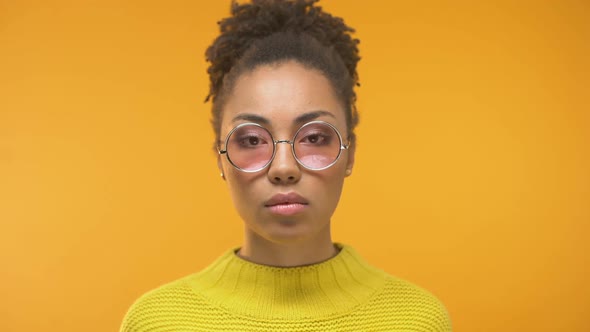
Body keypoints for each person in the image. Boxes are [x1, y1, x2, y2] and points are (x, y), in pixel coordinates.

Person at [120, 0, 452, 331]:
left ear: (350, 154)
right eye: (251, 140)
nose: (283, 167)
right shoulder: (157, 321)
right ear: (220, 158)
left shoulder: (417, 320)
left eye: (315, 138)